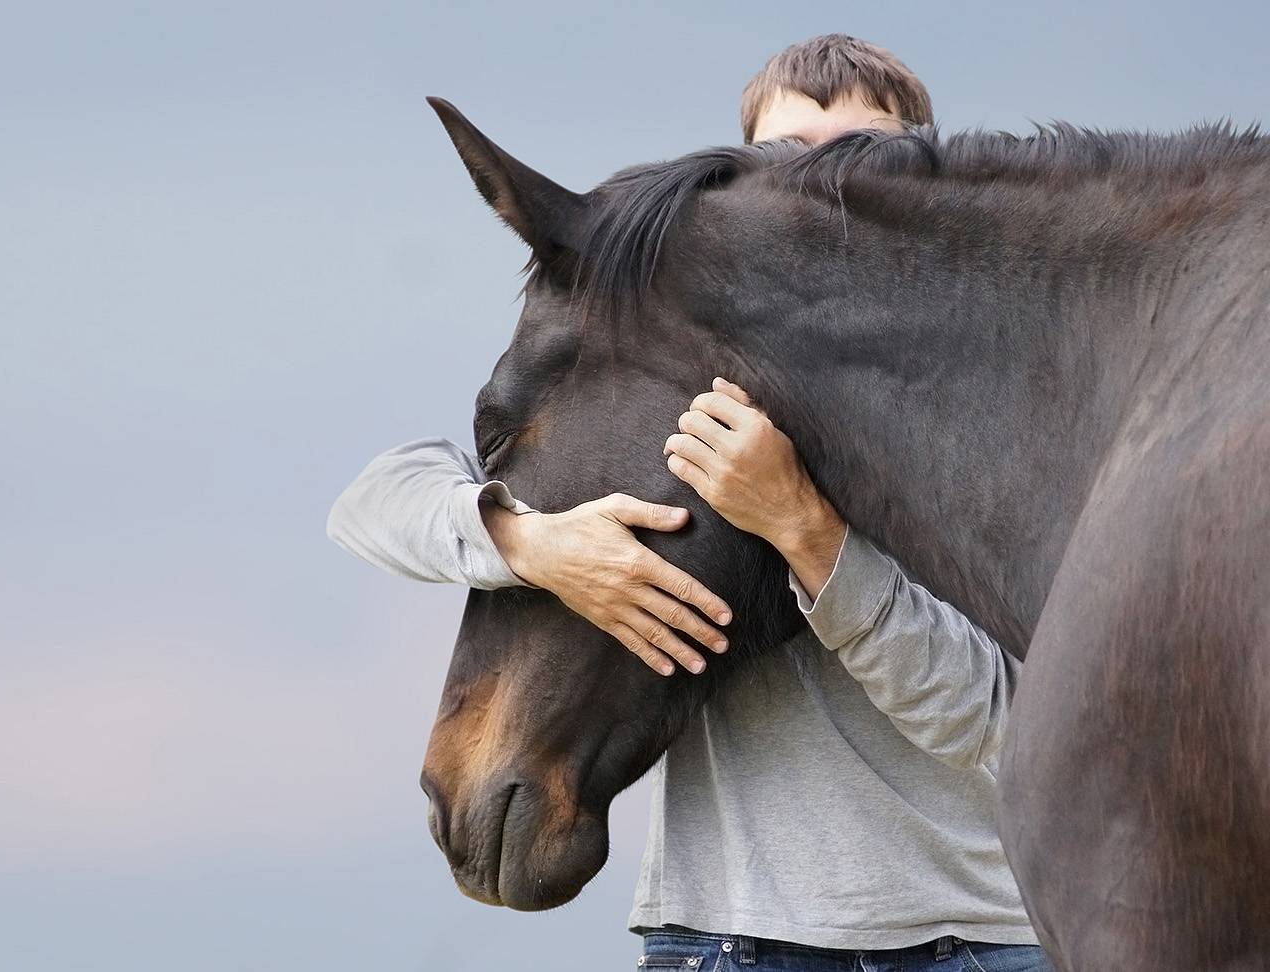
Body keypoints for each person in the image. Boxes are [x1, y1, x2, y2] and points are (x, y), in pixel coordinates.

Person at [328, 35, 1056, 972]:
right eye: (790, 155)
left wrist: (802, 528)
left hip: (983, 945)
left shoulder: (991, 419)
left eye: (864, 153)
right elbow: (372, 499)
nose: (825, 180)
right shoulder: (678, 390)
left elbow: (1000, 725)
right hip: (725, 938)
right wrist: (534, 543)